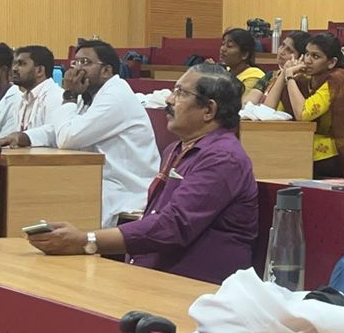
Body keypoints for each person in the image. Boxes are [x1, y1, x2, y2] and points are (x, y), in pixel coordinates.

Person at [27, 66, 258, 283]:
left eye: (181, 93)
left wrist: (87, 241)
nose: (169, 99)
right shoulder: (176, 149)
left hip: (196, 285)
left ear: (208, 110)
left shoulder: (223, 158)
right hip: (155, 274)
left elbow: (172, 226)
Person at [0, 41, 160, 227]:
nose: (77, 69)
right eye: (75, 62)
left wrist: (69, 96)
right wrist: (26, 137)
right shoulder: (90, 93)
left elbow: (68, 138)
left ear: (106, 71)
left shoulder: (115, 96)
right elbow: (61, 127)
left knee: (54, 200)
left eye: (85, 62)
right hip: (97, 179)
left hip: (124, 188)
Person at [266, 32, 344, 179]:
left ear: (331, 62)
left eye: (315, 56)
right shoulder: (304, 78)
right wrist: (284, 73)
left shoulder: (338, 79)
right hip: (319, 141)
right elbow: (268, 111)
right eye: (307, 54)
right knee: (275, 148)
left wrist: (289, 78)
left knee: (287, 155)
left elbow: (303, 114)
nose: (308, 60)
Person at [8, 45, 62, 134]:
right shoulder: (23, 99)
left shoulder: (56, 97)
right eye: (15, 64)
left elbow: (52, 136)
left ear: (39, 70)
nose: (14, 69)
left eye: (22, 64)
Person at [219, 28, 269, 105]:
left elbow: (240, 106)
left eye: (229, 46)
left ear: (244, 54)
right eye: (223, 44)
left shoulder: (254, 76)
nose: (222, 49)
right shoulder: (226, 71)